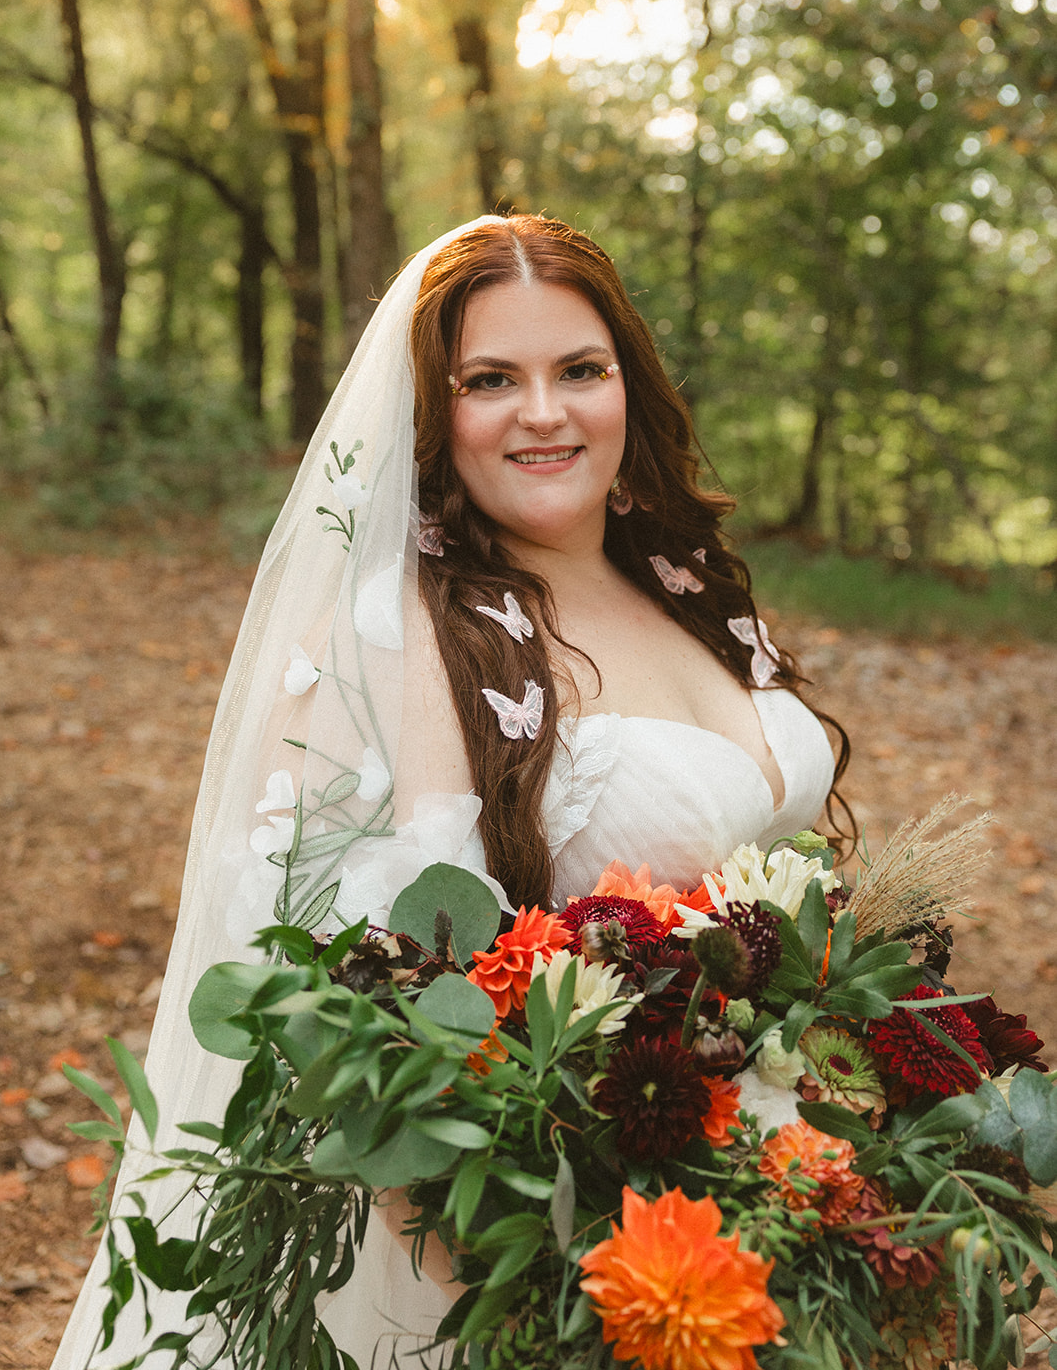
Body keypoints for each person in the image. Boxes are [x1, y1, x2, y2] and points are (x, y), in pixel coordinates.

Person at [51, 214, 847, 1370]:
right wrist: (502, 1301)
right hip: (537, 1248)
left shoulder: (684, 582)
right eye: (490, 379)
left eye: (580, 368)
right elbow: (347, 1005)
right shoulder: (397, 631)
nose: (543, 411)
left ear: (629, 381)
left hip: (750, 1202)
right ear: (434, 409)